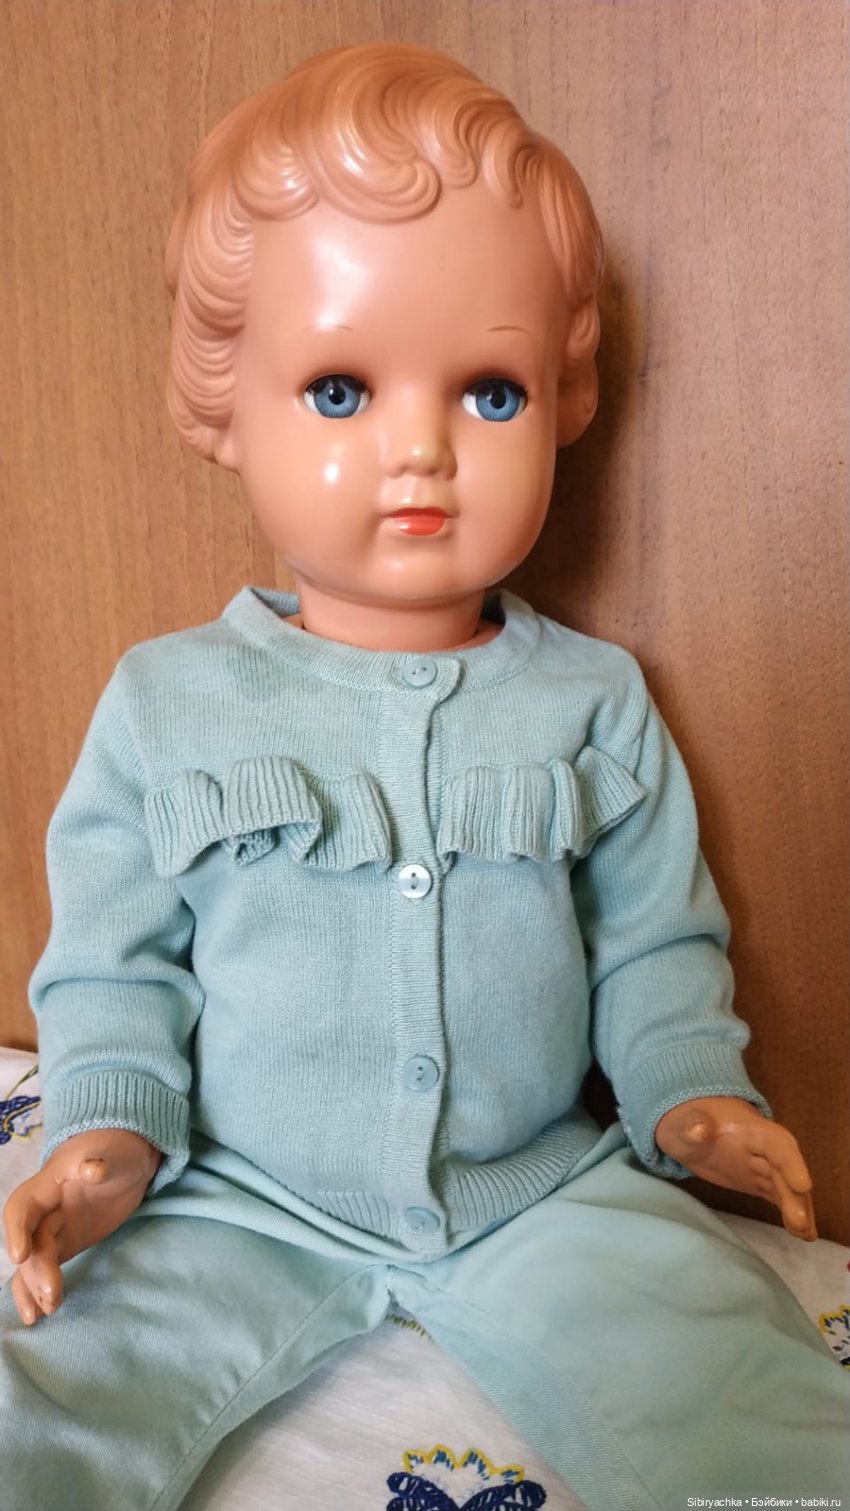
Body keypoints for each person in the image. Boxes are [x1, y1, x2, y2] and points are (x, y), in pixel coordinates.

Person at [1, 42, 846, 1511]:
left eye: (489, 395)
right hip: (237, 1195)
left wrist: (691, 1096)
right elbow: (112, 965)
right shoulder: (165, 701)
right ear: (226, 404)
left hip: (545, 1189)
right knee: (45, 1402)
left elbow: (655, 946)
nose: (420, 451)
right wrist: (107, 1131)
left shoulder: (593, 701)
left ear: (561, 400)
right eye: (338, 388)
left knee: (751, 1397)